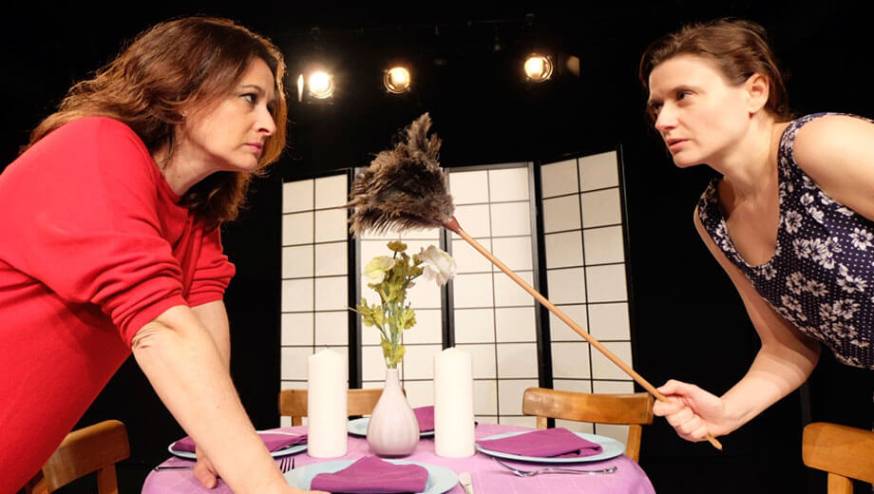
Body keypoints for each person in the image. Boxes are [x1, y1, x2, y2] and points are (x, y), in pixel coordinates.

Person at [0, 17, 325, 494]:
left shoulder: (192, 208)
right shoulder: (93, 147)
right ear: (183, 87)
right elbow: (163, 329)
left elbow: (203, 310)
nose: (269, 124)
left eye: (270, 106)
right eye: (249, 98)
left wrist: (213, 440)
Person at [639, 18, 873, 443]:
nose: (663, 121)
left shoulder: (818, 144)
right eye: (657, 106)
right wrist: (726, 412)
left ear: (755, 92)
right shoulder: (712, 216)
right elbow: (787, 347)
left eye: (683, 96)